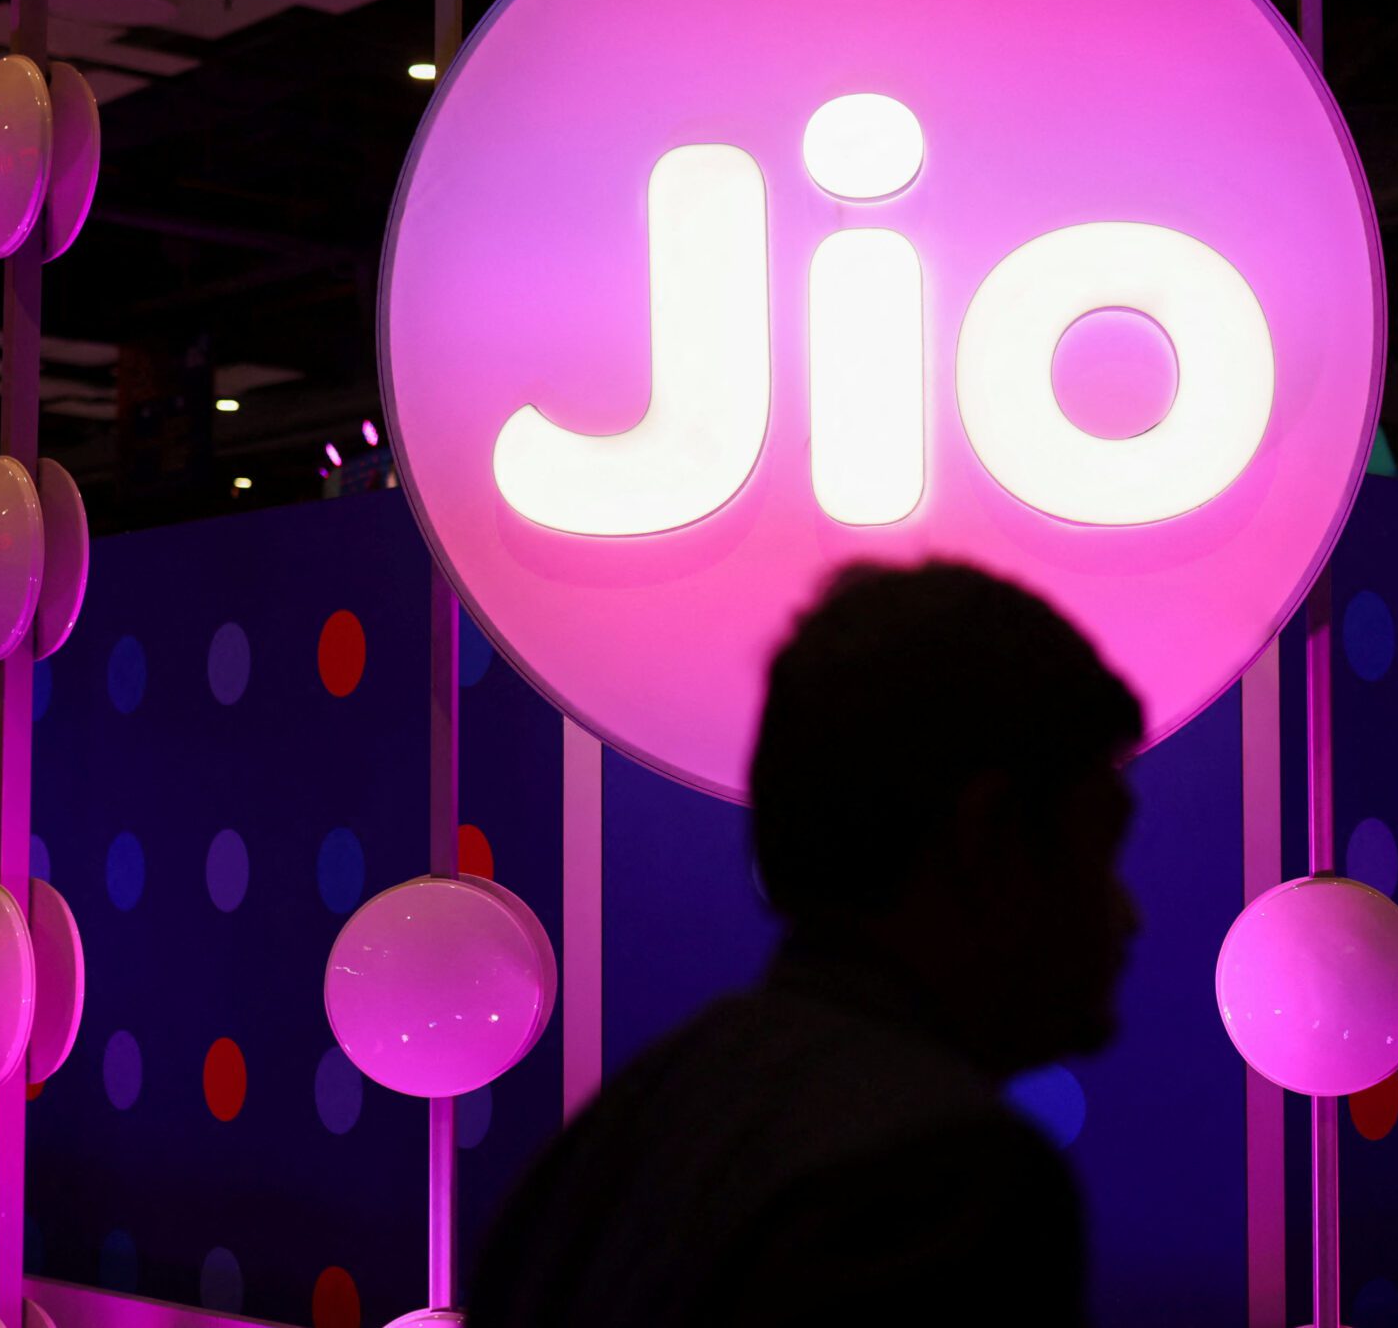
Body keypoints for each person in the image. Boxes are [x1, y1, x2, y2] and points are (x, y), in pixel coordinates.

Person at [469, 560, 1143, 1328]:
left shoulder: (619, 1134)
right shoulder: (945, 1186)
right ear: (989, 841)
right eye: (1103, 845)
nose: (1128, 915)